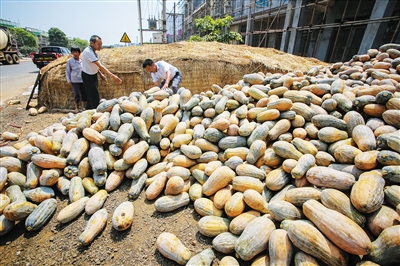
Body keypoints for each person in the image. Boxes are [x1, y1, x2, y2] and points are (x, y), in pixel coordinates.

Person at [81, 35, 122, 110]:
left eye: (101, 44)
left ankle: (89, 110)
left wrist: (100, 74)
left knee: (92, 95)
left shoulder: (94, 52)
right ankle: (95, 112)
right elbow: (100, 65)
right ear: (92, 43)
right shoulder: (88, 52)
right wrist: (113, 76)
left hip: (93, 75)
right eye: (99, 44)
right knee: (94, 96)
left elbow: (95, 65)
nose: (100, 46)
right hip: (87, 76)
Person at [66, 47, 86, 113]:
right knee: (77, 94)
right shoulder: (70, 61)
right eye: (73, 52)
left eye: (76, 52)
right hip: (75, 80)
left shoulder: (82, 60)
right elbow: (68, 71)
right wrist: (69, 80)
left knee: (84, 93)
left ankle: (83, 107)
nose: (75, 53)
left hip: (83, 80)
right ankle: (76, 108)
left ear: (79, 53)